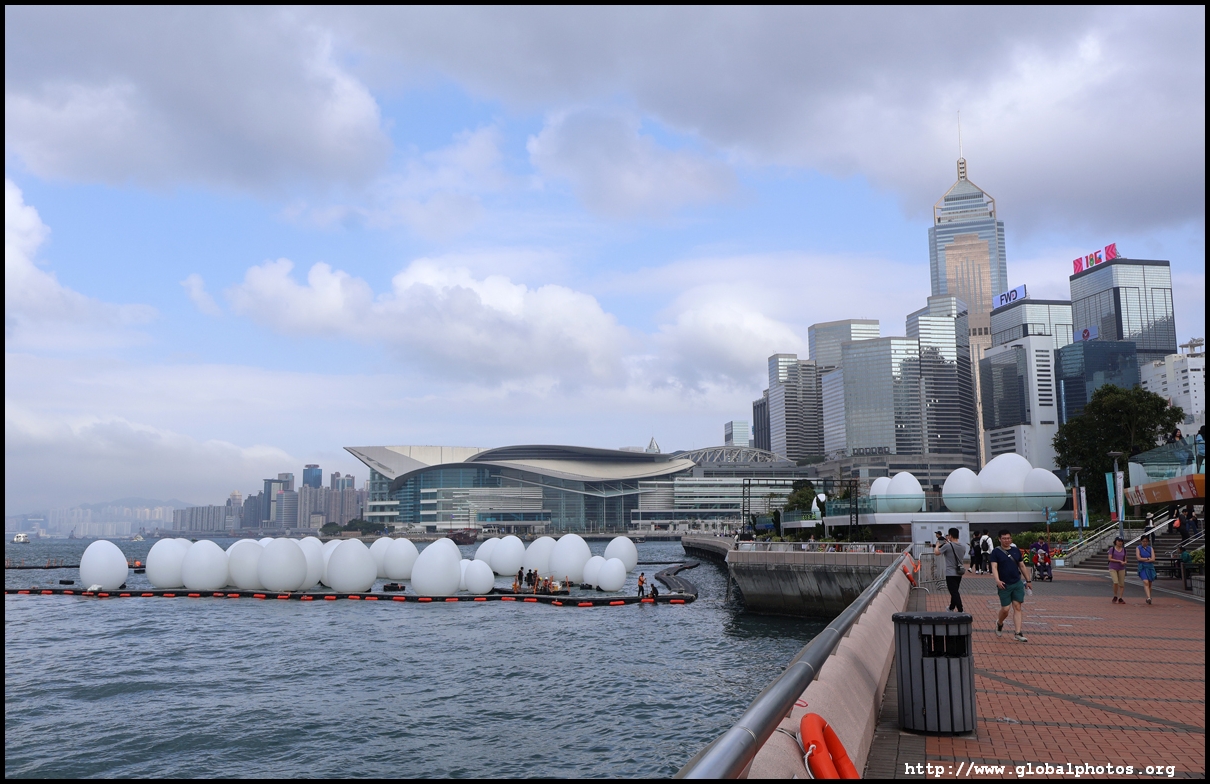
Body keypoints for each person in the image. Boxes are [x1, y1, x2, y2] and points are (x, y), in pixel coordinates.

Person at [988, 529, 1032, 642]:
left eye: (1008, 538)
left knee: (1017, 607)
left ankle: (1018, 633)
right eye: (1004, 538)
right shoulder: (996, 552)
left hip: (1017, 582)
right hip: (1004, 584)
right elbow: (994, 567)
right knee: (1005, 609)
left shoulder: (1016, 550)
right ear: (999, 539)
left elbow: (1022, 566)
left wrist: (1028, 580)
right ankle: (999, 623)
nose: (1006, 540)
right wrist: (997, 580)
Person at [933, 527, 967, 612]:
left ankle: (960, 610)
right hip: (959, 572)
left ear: (950, 536)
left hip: (950, 573)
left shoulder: (948, 546)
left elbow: (937, 553)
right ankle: (951, 608)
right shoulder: (963, 547)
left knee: (954, 592)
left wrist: (937, 546)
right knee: (955, 591)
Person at [1136, 533, 1157, 604]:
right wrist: (1147, 559)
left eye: (1146, 541)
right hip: (1142, 567)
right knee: (1145, 582)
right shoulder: (1138, 548)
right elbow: (1139, 558)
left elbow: (1153, 559)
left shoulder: (1150, 548)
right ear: (1141, 541)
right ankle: (1148, 597)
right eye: (1143, 541)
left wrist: (1145, 559)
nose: (1145, 543)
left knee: (1150, 583)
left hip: (1150, 567)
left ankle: (1149, 597)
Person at [1107, 536, 1127, 603]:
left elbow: (1125, 559)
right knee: (1115, 582)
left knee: (1121, 584)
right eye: (1118, 541)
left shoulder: (1124, 550)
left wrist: (1124, 562)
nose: (1120, 543)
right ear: (1115, 542)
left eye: (1121, 541)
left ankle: (1120, 597)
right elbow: (1110, 558)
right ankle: (1115, 595)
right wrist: (1119, 561)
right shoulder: (1112, 549)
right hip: (1113, 567)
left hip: (1121, 568)